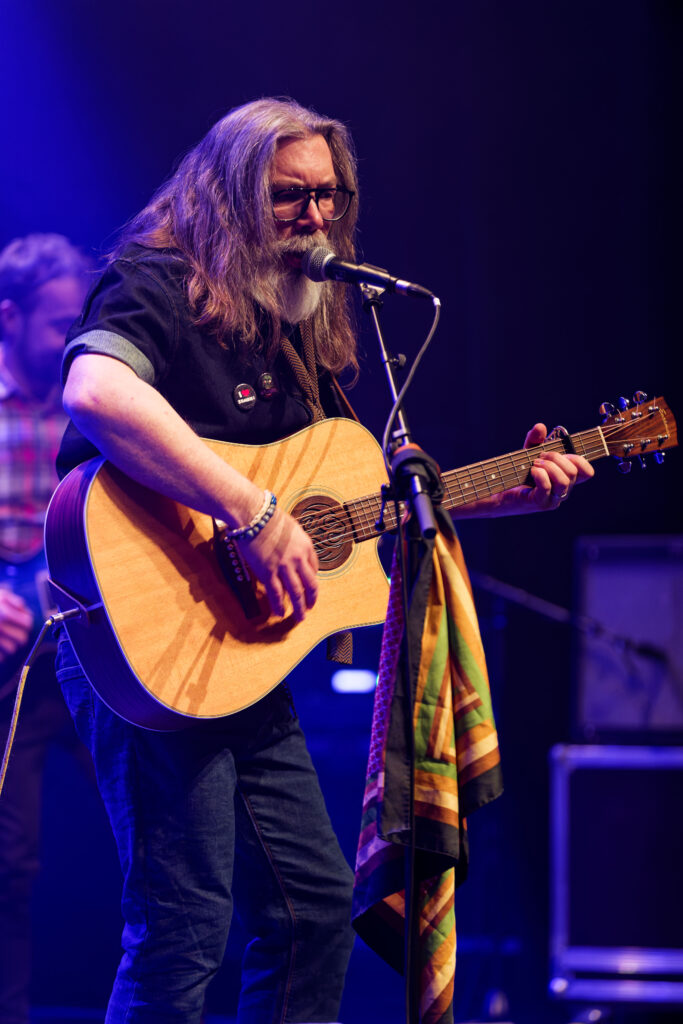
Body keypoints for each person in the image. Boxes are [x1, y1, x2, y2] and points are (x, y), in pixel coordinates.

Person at [55, 97, 593, 1023]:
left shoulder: (297, 319)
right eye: (289, 196)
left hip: (241, 660)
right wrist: (249, 509)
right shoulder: (158, 281)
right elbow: (95, 392)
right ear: (229, 194)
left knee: (311, 915)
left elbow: (345, 501)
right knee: (184, 929)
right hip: (138, 640)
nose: (315, 219)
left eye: (329, 197)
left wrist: (498, 492)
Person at [0, 233, 92, 1024]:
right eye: (59, 324)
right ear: (9, 316)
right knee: (10, 857)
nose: (73, 340)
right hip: (12, 668)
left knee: (166, 827)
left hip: (93, 649)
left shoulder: (89, 398)